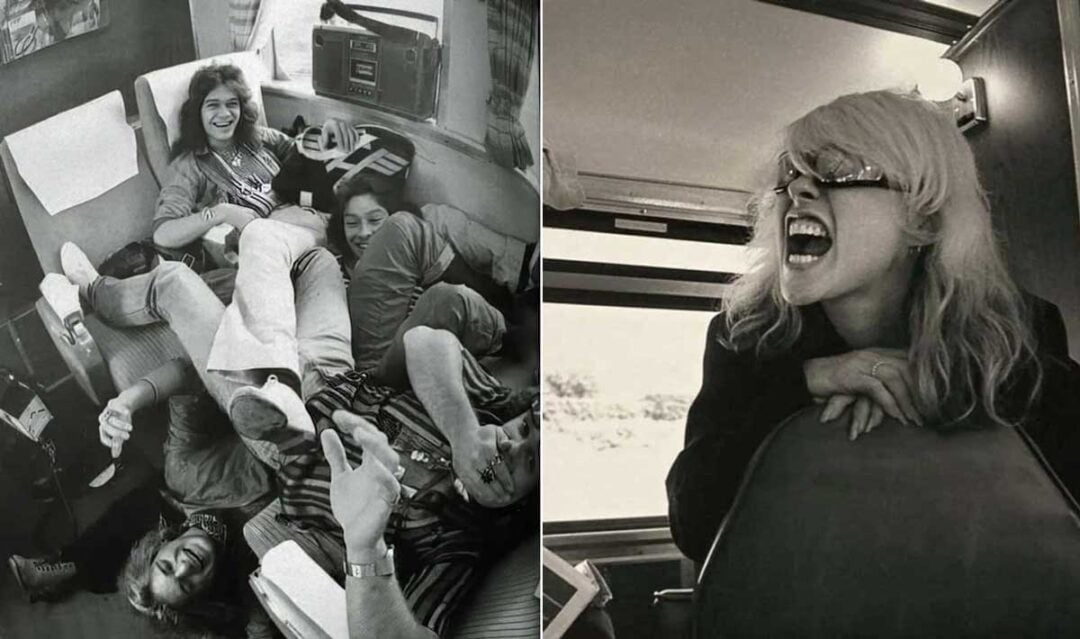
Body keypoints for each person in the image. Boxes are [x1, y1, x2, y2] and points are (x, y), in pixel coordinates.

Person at [665, 89, 1080, 564]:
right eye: (789, 176)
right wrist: (805, 385)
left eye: (837, 170)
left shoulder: (1016, 326)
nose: (798, 190)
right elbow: (694, 525)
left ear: (922, 219)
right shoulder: (743, 335)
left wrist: (942, 385)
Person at [118, 325, 539, 638]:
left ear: (162, 544)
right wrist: (363, 542)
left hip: (297, 424)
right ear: (203, 596)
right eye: (187, 585)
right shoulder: (251, 566)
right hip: (315, 462)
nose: (185, 568)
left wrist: (126, 402)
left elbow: (189, 381)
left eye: (168, 566)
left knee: (201, 279)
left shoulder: (185, 475)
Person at [330, 173, 540, 385]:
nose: (364, 232)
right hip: (374, 366)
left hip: (421, 353)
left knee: (450, 295)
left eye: (375, 220)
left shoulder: (412, 262)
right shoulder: (336, 269)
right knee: (406, 227)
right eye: (352, 223)